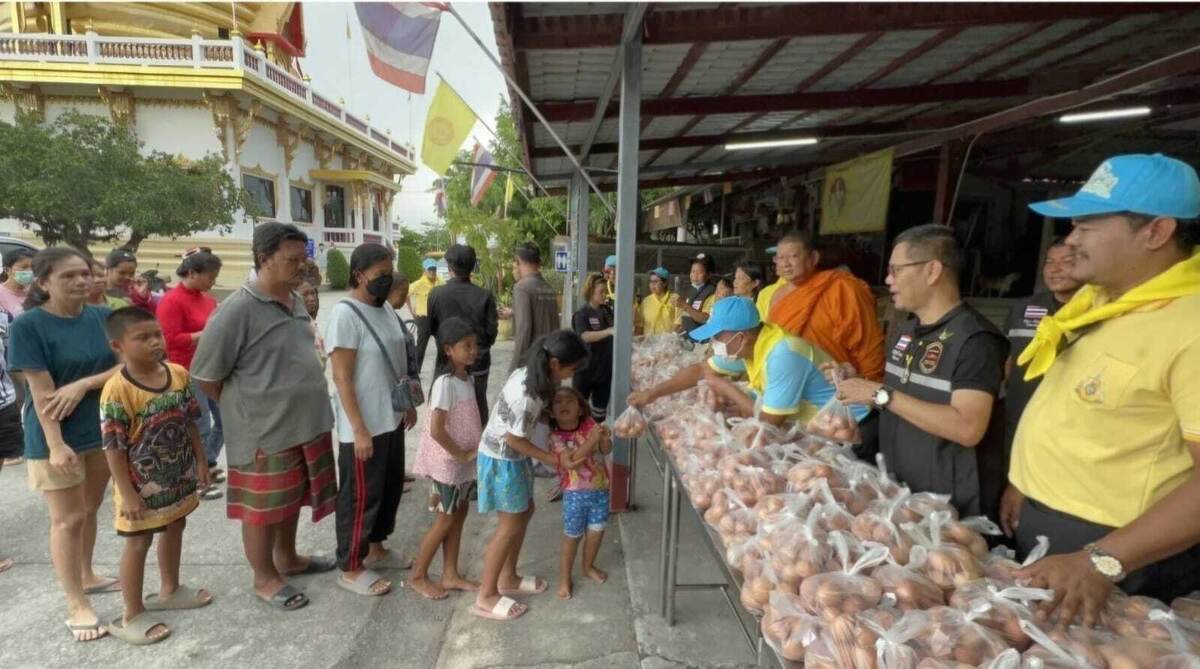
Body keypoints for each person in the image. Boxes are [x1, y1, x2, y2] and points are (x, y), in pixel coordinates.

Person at [999, 154, 1200, 623]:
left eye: (1087, 225)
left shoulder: (1190, 325)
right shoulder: (1100, 304)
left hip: (1124, 559)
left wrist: (1104, 560)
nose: (1071, 240)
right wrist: (1025, 484)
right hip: (1054, 539)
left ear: (1156, 232)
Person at [191, 222, 337, 612]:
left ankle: (287, 558)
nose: (299, 267)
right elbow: (206, 376)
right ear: (263, 259)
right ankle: (265, 578)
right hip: (263, 430)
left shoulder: (296, 300)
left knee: (290, 498)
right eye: (290, 260)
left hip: (303, 423)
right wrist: (250, 406)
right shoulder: (237, 309)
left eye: (301, 259)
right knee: (262, 509)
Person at [835, 224, 1008, 519]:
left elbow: (968, 428)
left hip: (947, 507)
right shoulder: (905, 332)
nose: (888, 280)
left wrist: (879, 394)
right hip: (898, 492)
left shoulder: (976, 340)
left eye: (896, 270)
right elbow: (897, 404)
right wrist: (860, 436)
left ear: (932, 271)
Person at [8, 247, 120, 642]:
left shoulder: (104, 317)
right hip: (54, 437)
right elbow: (41, 394)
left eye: (85, 273)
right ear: (43, 283)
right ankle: (76, 602)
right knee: (67, 519)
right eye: (69, 276)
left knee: (90, 510)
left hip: (102, 431)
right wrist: (56, 445)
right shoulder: (29, 326)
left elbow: (129, 362)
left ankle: (88, 575)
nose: (81, 281)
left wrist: (86, 383)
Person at [99, 307, 212, 645]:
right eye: (142, 337)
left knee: (177, 524)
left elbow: (191, 421)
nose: (154, 342)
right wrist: (127, 493)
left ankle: (170, 588)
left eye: (157, 335)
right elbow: (113, 447)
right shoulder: (116, 391)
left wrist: (202, 462)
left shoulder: (177, 373)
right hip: (139, 486)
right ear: (118, 345)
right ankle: (131, 614)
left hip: (178, 475)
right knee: (139, 541)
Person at [473, 330, 589, 622]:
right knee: (510, 525)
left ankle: (509, 577)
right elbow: (514, 439)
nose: (568, 377)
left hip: (514, 458)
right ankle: (486, 594)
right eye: (570, 370)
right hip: (502, 459)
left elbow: (531, 423)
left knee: (525, 512)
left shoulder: (533, 375)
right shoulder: (526, 393)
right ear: (555, 363)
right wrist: (555, 459)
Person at [324, 243, 416, 597]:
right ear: (359, 274)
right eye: (380, 274)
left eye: (389, 272)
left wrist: (406, 404)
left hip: (390, 419)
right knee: (360, 498)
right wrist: (359, 429)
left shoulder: (386, 310)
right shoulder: (346, 314)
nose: (386, 280)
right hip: (363, 427)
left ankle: (377, 548)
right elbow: (342, 377)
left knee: (388, 490)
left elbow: (397, 359)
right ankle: (350, 566)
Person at [628, 297, 868, 428]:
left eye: (716, 336)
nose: (713, 344)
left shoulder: (783, 355)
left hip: (852, 428)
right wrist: (651, 394)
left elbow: (769, 423)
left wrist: (726, 389)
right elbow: (700, 370)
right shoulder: (751, 347)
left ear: (739, 337)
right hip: (819, 427)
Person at [409, 317, 482, 601]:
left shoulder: (468, 378)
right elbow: (437, 429)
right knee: (444, 520)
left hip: (463, 465)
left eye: (475, 345)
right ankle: (418, 575)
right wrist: (460, 454)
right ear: (448, 349)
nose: (473, 351)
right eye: (467, 346)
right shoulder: (445, 383)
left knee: (458, 516)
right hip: (448, 465)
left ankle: (450, 574)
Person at [761, 231, 885, 381]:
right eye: (780, 258)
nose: (786, 264)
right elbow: (772, 341)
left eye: (793, 256)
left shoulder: (841, 288)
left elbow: (867, 343)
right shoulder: (776, 293)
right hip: (787, 382)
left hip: (834, 383)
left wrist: (868, 382)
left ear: (813, 258)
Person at [157, 248, 225, 501]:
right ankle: (199, 478)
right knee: (201, 424)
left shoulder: (208, 300)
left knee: (226, 422)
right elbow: (169, 340)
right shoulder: (172, 301)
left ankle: (207, 462)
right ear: (192, 273)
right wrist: (204, 334)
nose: (213, 282)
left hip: (213, 368)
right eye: (209, 277)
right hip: (187, 370)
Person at [1001, 240, 1081, 455]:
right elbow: (1009, 359)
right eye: (1050, 261)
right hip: (1019, 416)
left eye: (1067, 261)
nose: (1055, 269)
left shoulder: (1099, 310)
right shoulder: (1024, 308)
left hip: (1069, 426)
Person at [547, 387, 612, 601]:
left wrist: (603, 438)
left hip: (600, 490)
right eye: (558, 402)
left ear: (581, 409)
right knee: (572, 537)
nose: (564, 404)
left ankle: (588, 566)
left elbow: (605, 450)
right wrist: (593, 440)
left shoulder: (590, 425)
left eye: (570, 400)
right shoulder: (555, 438)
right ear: (551, 412)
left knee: (596, 532)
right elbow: (572, 461)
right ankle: (564, 578)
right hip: (575, 495)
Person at [428, 244, 498, 422]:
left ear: (449, 267)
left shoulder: (436, 294)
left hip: (448, 359)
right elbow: (491, 333)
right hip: (479, 360)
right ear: (473, 266)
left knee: (445, 405)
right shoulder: (485, 295)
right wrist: (475, 347)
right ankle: (478, 442)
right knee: (478, 401)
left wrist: (452, 348)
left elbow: (433, 329)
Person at [507, 242, 560, 377]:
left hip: (532, 364)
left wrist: (513, 368)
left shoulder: (522, 287)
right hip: (550, 357)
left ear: (518, 261)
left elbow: (524, 328)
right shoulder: (548, 288)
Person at [571, 273, 614, 423]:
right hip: (585, 371)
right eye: (601, 291)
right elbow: (584, 336)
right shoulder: (581, 314)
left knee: (599, 415)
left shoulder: (607, 311)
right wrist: (608, 331)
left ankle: (595, 440)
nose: (604, 295)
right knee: (578, 410)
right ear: (590, 291)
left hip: (604, 371)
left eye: (605, 291)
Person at [408, 258, 439, 373]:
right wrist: (411, 309)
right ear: (425, 271)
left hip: (436, 318)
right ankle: (415, 371)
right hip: (423, 318)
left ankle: (442, 370)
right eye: (430, 270)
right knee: (421, 347)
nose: (432, 272)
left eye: (434, 269)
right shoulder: (419, 283)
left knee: (443, 344)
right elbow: (406, 293)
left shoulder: (439, 281)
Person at [675, 253, 717, 334]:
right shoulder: (690, 291)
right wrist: (674, 334)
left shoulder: (712, 293)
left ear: (708, 275)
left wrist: (685, 306)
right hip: (688, 338)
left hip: (701, 342)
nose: (695, 275)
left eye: (699, 272)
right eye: (693, 271)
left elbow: (706, 318)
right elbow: (685, 319)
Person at [640, 267, 679, 336]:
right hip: (649, 344)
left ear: (665, 283)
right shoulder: (646, 301)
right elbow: (640, 324)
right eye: (651, 281)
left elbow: (678, 323)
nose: (652, 284)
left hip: (668, 343)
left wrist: (667, 339)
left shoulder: (675, 299)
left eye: (655, 281)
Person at [296, 279, 326, 368]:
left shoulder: (311, 323)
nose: (312, 299)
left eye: (313, 293)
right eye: (305, 295)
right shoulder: (294, 328)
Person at [0, 245, 36, 316]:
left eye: (32, 267)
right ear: (7, 270)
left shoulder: (36, 293)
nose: (30, 271)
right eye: (24, 267)